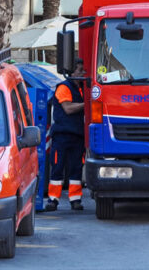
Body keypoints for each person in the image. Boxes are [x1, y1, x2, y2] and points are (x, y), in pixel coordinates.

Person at [45, 59, 86, 211]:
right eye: (80, 70)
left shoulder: (82, 88)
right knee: (57, 167)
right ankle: (53, 200)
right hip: (62, 135)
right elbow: (68, 108)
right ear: (72, 73)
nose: (83, 73)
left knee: (76, 168)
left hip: (77, 136)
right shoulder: (64, 87)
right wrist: (87, 104)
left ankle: (75, 200)